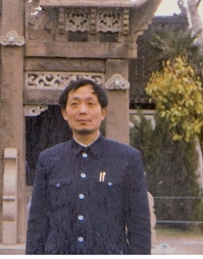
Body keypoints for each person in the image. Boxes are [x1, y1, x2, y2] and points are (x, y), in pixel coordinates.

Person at [26, 79, 151, 255]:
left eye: (90, 104)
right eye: (75, 104)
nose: (82, 111)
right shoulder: (48, 159)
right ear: (64, 113)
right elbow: (37, 224)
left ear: (103, 112)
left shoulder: (127, 159)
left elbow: (140, 226)